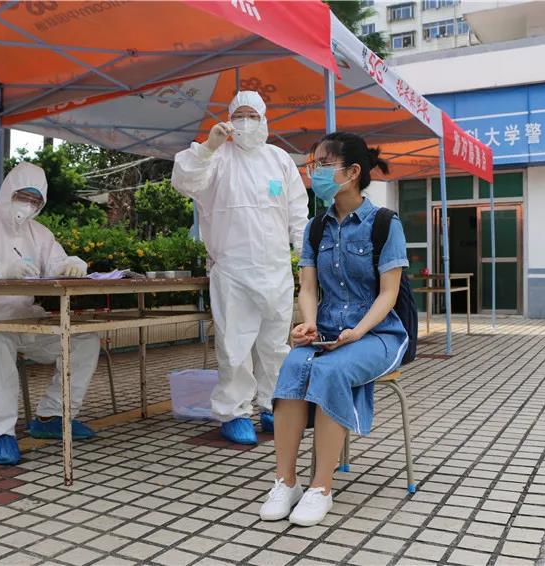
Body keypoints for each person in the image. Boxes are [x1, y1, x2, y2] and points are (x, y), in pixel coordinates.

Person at [259, 132, 409, 526]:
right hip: (327, 330)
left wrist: (358, 331)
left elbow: (389, 293)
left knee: (330, 370)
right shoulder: (315, 228)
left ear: (353, 171)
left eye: (323, 164)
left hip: (378, 334)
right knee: (292, 367)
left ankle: (321, 487)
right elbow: (308, 288)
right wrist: (307, 321)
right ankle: (285, 482)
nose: (315, 173)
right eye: (314, 165)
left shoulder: (384, 224)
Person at [171, 91, 309, 445]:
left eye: (252, 115)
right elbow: (183, 180)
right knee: (234, 345)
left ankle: (273, 406)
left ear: (264, 118)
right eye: (239, 115)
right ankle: (233, 412)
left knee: (275, 345)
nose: (246, 122)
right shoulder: (217, 157)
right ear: (230, 120)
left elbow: (297, 212)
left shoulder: (279, 160)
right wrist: (207, 147)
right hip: (232, 268)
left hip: (276, 268)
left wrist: (305, 256)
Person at [0, 162, 100, 466]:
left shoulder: (39, 233)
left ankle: (53, 416)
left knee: (84, 339)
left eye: (35, 200)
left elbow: (54, 264)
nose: (28, 205)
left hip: (25, 317)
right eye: (23, 196)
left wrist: (70, 265)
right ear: (7, 191)